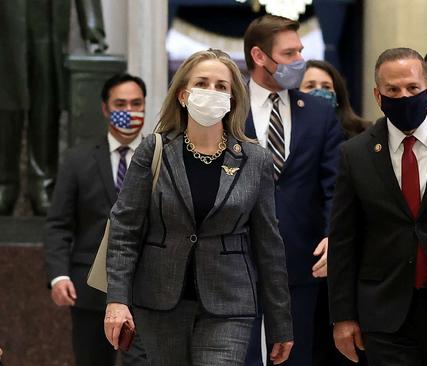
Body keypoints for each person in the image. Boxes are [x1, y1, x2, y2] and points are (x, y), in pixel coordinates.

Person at [103, 49, 293, 366]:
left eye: (221, 86)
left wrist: (280, 322)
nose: (211, 92)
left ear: (233, 99)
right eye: (202, 83)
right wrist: (117, 301)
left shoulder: (254, 160)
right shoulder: (154, 149)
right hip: (159, 301)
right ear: (182, 94)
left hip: (229, 304)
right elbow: (125, 230)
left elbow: (268, 244)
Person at [328, 47, 427, 366]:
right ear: (378, 95)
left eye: (412, 88)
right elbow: (344, 240)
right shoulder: (356, 153)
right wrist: (343, 318)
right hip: (384, 312)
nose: (403, 96)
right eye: (393, 89)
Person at [242, 15, 345, 366]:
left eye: (300, 50)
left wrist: (334, 234)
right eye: (289, 54)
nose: (299, 60)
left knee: (295, 359)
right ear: (259, 57)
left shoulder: (318, 114)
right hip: (233, 264)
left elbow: (334, 185)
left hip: (299, 265)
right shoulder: (228, 108)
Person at [43, 73, 148, 366]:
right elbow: (58, 224)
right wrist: (58, 275)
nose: (129, 111)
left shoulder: (160, 157)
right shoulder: (78, 159)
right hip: (90, 291)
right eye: (121, 104)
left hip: (146, 291)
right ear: (105, 108)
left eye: (136, 103)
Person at [0, 0, 107, 215]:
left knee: (46, 106)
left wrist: (94, 32)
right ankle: (4, 184)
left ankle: (43, 182)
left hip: (46, 27)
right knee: (6, 106)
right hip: (5, 26)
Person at [299, 59, 371, 366]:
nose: (319, 93)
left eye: (326, 88)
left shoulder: (364, 136)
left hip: (352, 258)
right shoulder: (290, 138)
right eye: (310, 87)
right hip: (305, 256)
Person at [300, 60, 371, 139]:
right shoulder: (286, 133)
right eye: (310, 86)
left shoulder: (363, 131)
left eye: (326, 87)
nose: (319, 91)